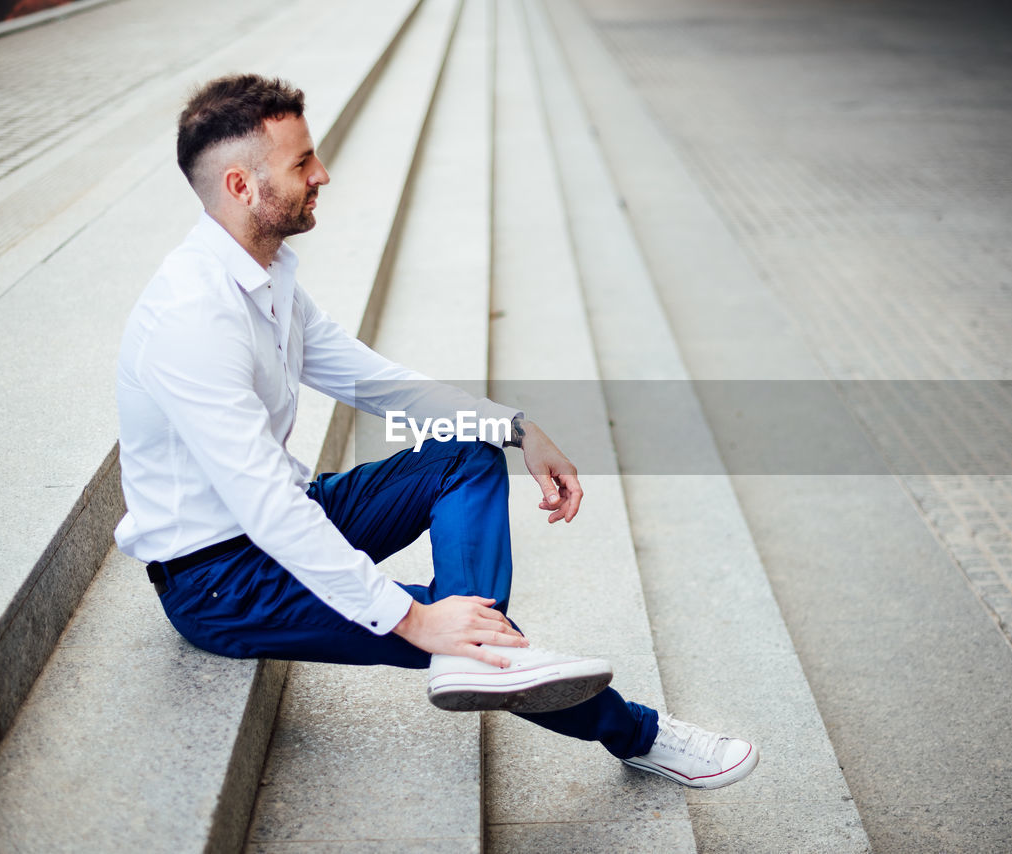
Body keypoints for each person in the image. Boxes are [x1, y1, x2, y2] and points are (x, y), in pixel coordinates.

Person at [114, 73, 757, 790]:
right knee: (461, 631)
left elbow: (374, 382)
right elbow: (265, 504)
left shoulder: (268, 276)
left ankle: (469, 652)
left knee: (466, 454)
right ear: (240, 185)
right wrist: (414, 620)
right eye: (302, 164)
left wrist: (517, 427)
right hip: (219, 582)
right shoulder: (192, 320)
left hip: (288, 521)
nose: (322, 174)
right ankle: (641, 734)